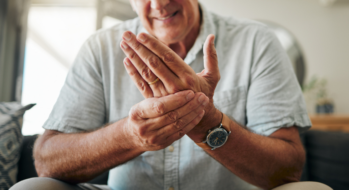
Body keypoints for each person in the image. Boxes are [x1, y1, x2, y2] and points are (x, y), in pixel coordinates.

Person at [11, 0, 325, 190]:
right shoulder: (100, 47)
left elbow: (289, 168)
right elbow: (47, 161)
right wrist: (130, 136)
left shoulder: (257, 42)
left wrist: (208, 124)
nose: (159, 4)